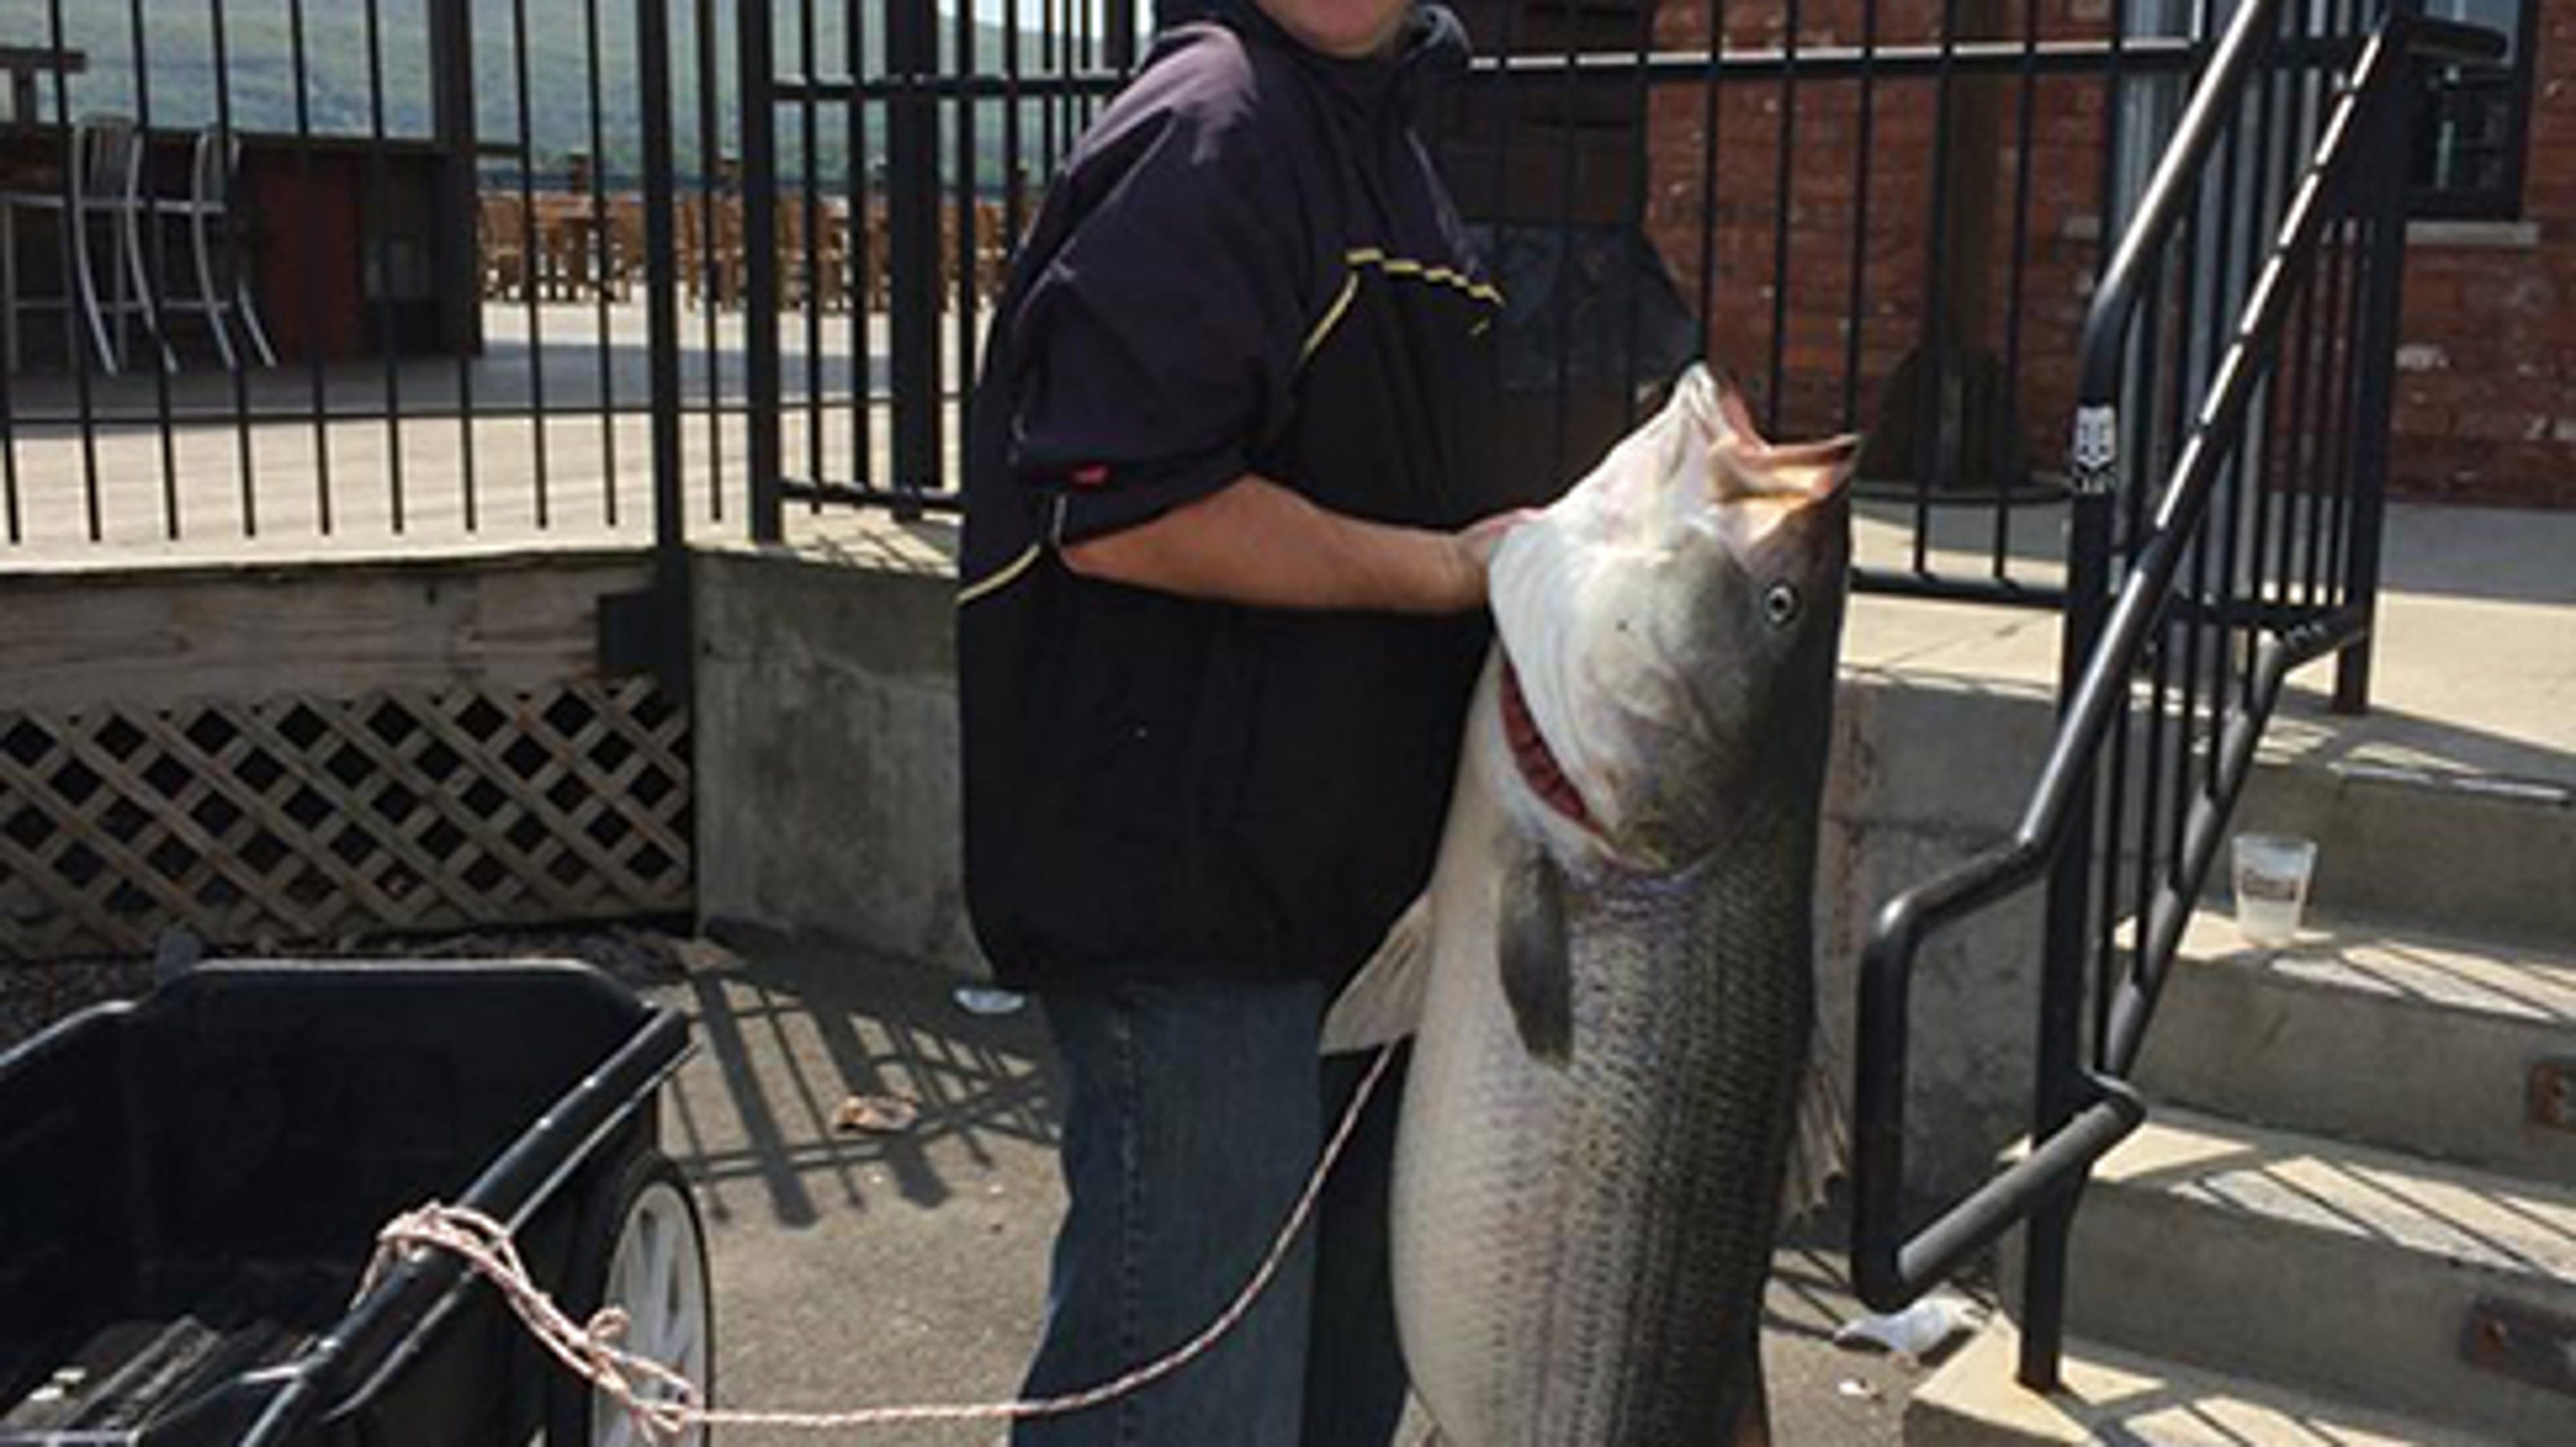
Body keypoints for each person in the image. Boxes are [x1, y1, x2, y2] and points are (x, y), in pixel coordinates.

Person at [953, 1, 1518, 1442]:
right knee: (1188, 1407)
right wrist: (1448, 571)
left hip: (1357, 907)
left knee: (1335, 1388)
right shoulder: (1213, 124)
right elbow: (1126, 509)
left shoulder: (1381, 141)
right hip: (1196, 903)